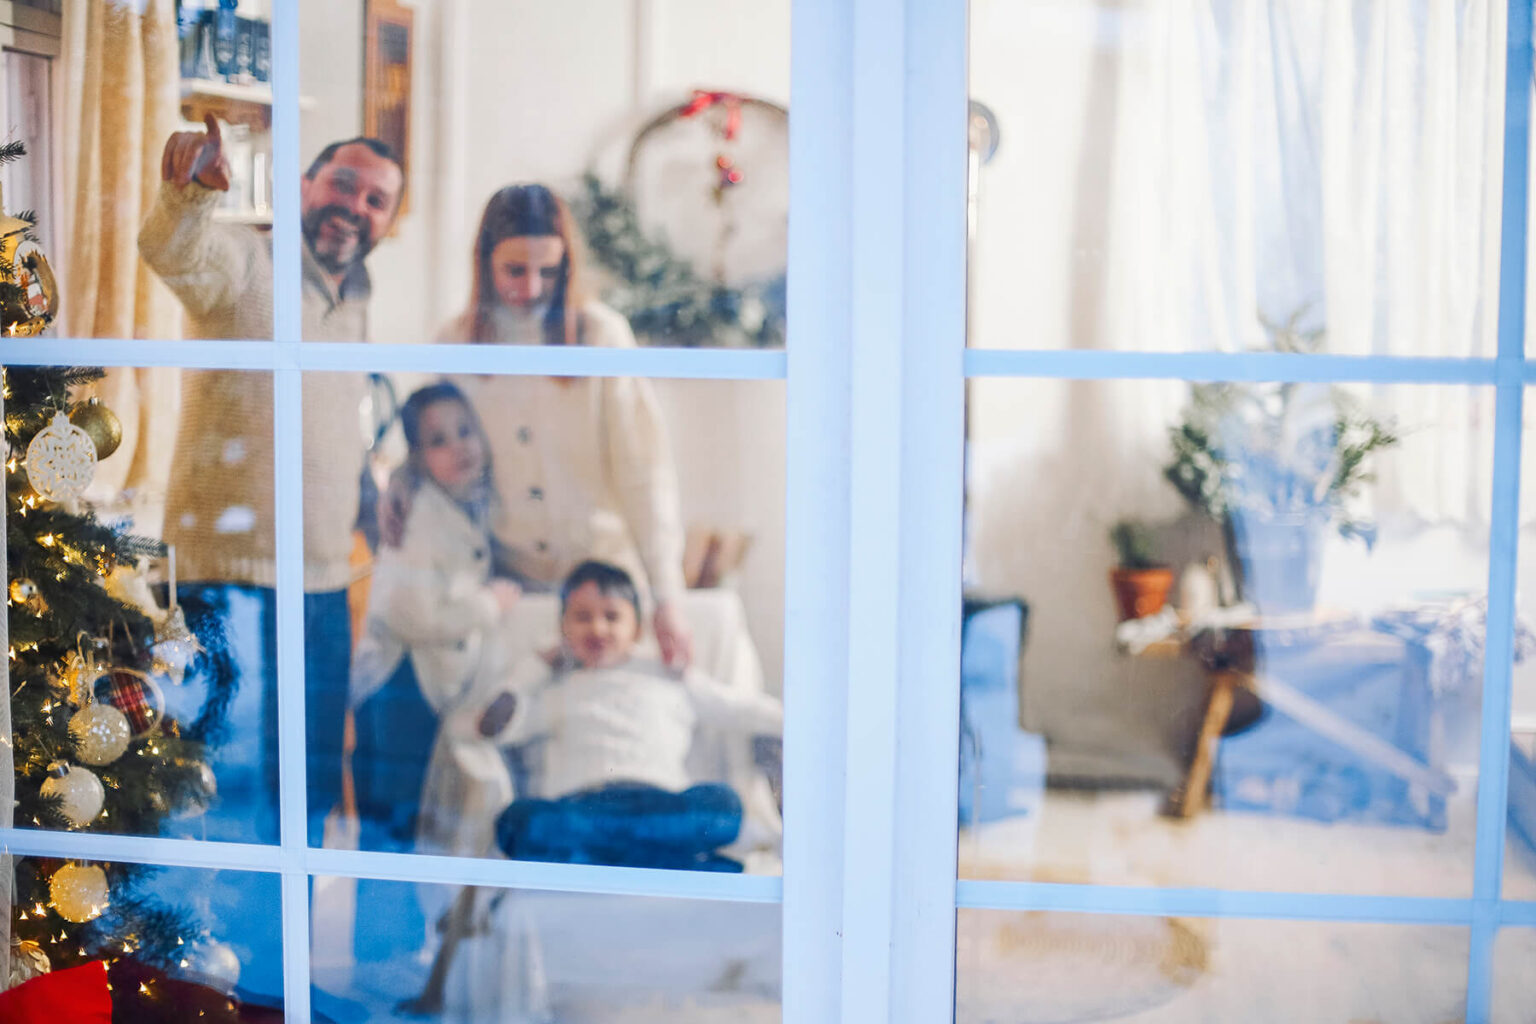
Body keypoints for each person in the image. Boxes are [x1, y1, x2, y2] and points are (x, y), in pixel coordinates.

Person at [138, 114, 405, 846]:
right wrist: (189, 194)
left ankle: (288, 964)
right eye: (343, 184)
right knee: (214, 794)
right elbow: (172, 250)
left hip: (320, 583)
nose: (355, 206)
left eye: (376, 198)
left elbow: (323, 413)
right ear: (305, 186)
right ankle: (206, 965)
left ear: (387, 220)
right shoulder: (249, 261)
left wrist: (367, 491)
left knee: (305, 796)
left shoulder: (354, 298)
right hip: (225, 580)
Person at [383, 183, 694, 669]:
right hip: (509, 586)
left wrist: (667, 596)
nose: (530, 288)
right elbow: (435, 440)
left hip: (603, 587)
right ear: (484, 262)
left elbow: (644, 473)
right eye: (514, 270)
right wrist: (403, 478)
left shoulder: (601, 337)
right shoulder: (456, 343)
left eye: (547, 271)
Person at [468, 560, 782, 871]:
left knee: (723, 805)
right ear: (563, 630)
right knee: (518, 822)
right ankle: (668, 861)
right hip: (585, 808)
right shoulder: (561, 690)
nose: (598, 628)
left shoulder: (671, 678)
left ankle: (611, 857)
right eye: (582, 617)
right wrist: (536, 667)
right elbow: (492, 727)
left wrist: (799, 723)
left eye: (612, 616)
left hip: (659, 806)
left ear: (638, 629)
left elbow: (741, 709)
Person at [347, 382, 522, 851]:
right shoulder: (420, 512)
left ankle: (408, 917)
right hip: (398, 684)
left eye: (466, 431)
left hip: (424, 684)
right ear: (419, 457)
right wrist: (488, 605)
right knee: (393, 825)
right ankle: (386, 919)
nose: (459, 446)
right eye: (438, 440)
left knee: (415, 825)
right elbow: (411, 615)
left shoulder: (469, 500)